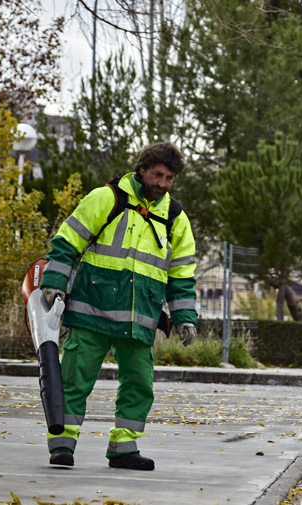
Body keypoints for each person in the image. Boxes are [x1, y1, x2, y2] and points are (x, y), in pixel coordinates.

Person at [39, 142, 198, 471]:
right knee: (75, 379)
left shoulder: (174, 217)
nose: (162, 184)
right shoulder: (106, 198)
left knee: (140, 383)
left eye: (169, 178)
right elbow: (68, 241)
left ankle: (124, 447)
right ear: (142, 170)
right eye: (157, 175)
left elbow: (182, 274)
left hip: (140, 318)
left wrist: (185, 318)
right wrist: (54, 282)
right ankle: (62, 444)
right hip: (90, 310)